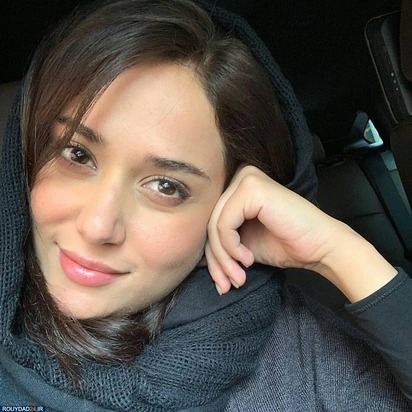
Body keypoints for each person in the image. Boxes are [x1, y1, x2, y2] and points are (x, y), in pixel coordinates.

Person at [0, 0, 410, 410]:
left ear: (228, 206)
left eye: (165, 186)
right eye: (77, 154)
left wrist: (341, 254)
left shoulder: (305, 365)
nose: (97, 226)